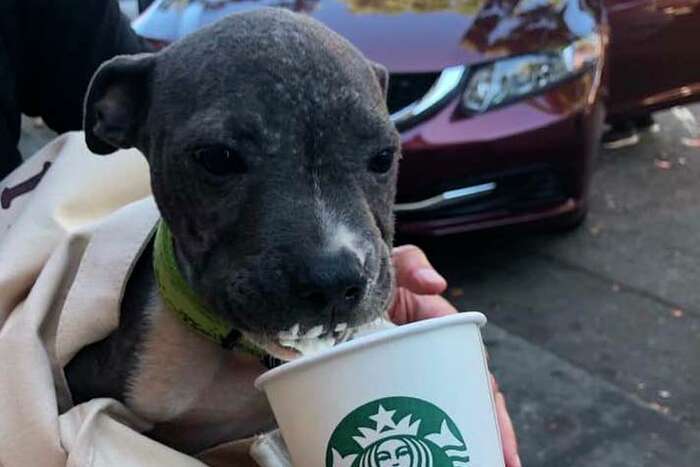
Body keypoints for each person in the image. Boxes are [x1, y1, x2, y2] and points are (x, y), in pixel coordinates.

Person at [0, 2, 520, 466]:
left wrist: (430, 378)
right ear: (119, 116)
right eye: (222, 161)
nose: (335, 263)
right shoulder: (116, 353)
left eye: (379, 158)